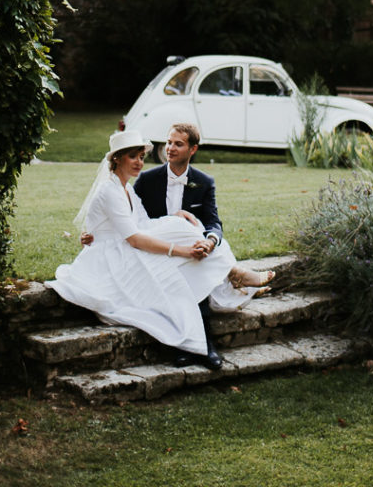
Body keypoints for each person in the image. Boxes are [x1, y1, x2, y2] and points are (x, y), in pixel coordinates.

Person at [46, 129, 275, 370]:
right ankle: (230, 279)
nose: (139, 162)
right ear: (117, 159)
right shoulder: (110, 190)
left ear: (192, 149)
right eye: (133, 157)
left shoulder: (128, 190)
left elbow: (144, 224)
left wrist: (176, 217)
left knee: (186, 226)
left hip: (128, 244)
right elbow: (135, 238)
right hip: (113, 257)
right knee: (173, 274)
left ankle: (224, 288)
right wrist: (181, 250)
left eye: (141, 157)